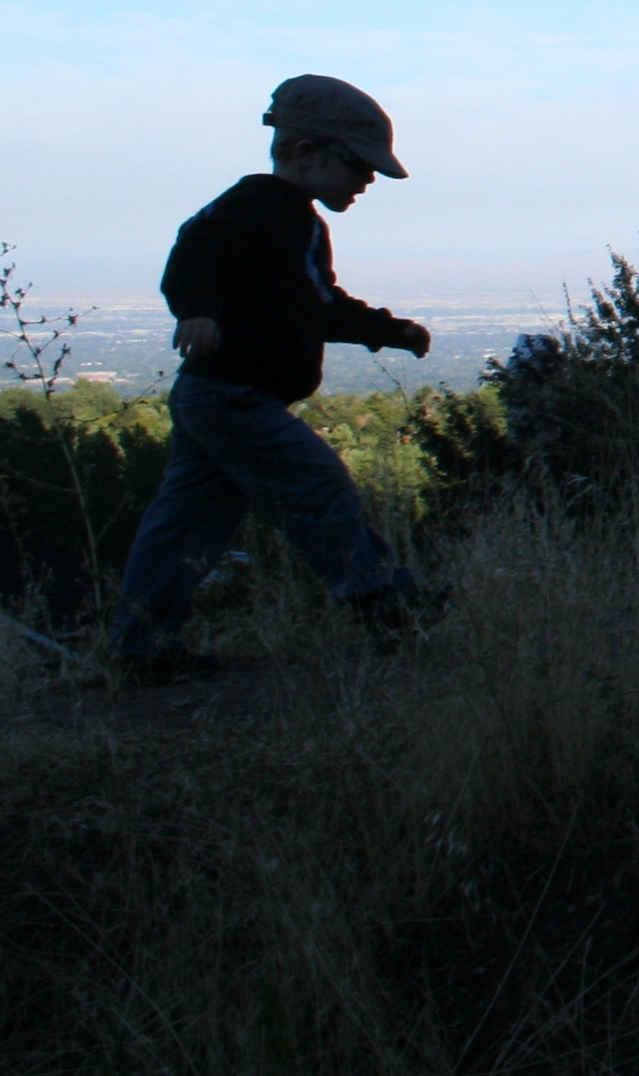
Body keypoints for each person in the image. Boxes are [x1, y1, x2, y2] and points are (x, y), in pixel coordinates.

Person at [112, 74, 437, 677]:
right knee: (319, 485)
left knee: (185, 524)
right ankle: (383, 600)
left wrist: (390, 331)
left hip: (213, 396)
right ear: (306, 152)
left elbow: (314, 305)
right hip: (235, 398)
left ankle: (143, 648)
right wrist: (197, 308)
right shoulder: (264, 211)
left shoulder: (288, 219)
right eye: (358, 165)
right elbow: (194, 250)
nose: (367, 180)